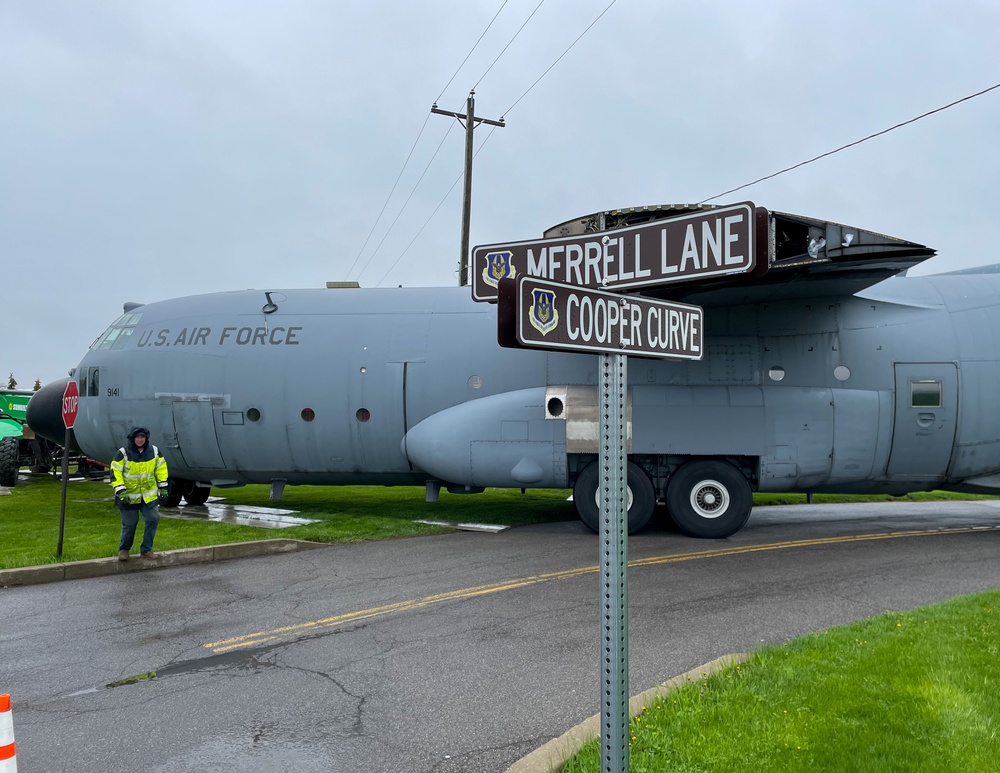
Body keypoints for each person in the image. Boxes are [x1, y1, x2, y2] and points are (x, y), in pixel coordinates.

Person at [111, 426, 169, 561]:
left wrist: (163, 486)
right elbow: (115, 472)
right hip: (128, 496)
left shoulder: (154, 451)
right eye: (137, 437)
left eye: (142, 437)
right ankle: (124, 550)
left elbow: (161, 469)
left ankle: (146, 550)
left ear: (146, 438)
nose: (140, 440)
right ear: (132, 439)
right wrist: (120, 490)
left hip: (148, 496)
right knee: (130, 524)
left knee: (153, 519)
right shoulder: (123, 453)